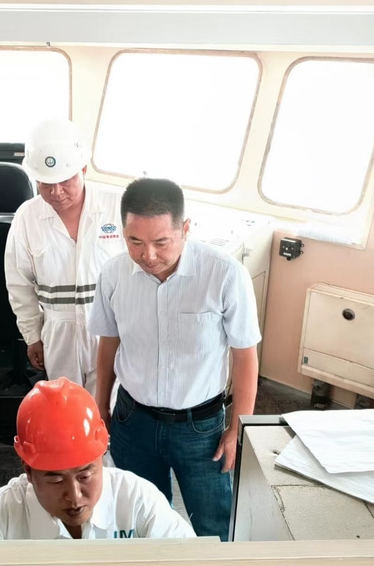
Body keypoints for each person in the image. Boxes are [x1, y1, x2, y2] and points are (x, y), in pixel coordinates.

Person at [89, 178, 261, 541]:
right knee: (139, 521)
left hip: (200, 427)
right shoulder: (114, 274)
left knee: (212, 525)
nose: (148, 255)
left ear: (185, 229)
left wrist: (237, 429)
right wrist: (100, 406)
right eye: (135, 241)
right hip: (132, 420)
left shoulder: (225, 274)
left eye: (161, 242)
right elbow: (109, 343)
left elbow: (245, 356)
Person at [0, 377, 195, 546]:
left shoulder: (136, 499)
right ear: (28, 471)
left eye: (85, 476)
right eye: (56, 480)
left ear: (102, 457)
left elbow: (190, 556)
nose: (74, 496)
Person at [4, 118, 125, 394]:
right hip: (57, 333)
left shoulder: (116, 207)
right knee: (64, 406)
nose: (56, 192)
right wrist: (32, 336)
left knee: (107, 407)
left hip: (110, 331)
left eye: (65, 181)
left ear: (83, 169)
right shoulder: (27, 217)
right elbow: (19, 284)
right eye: (45, 184)